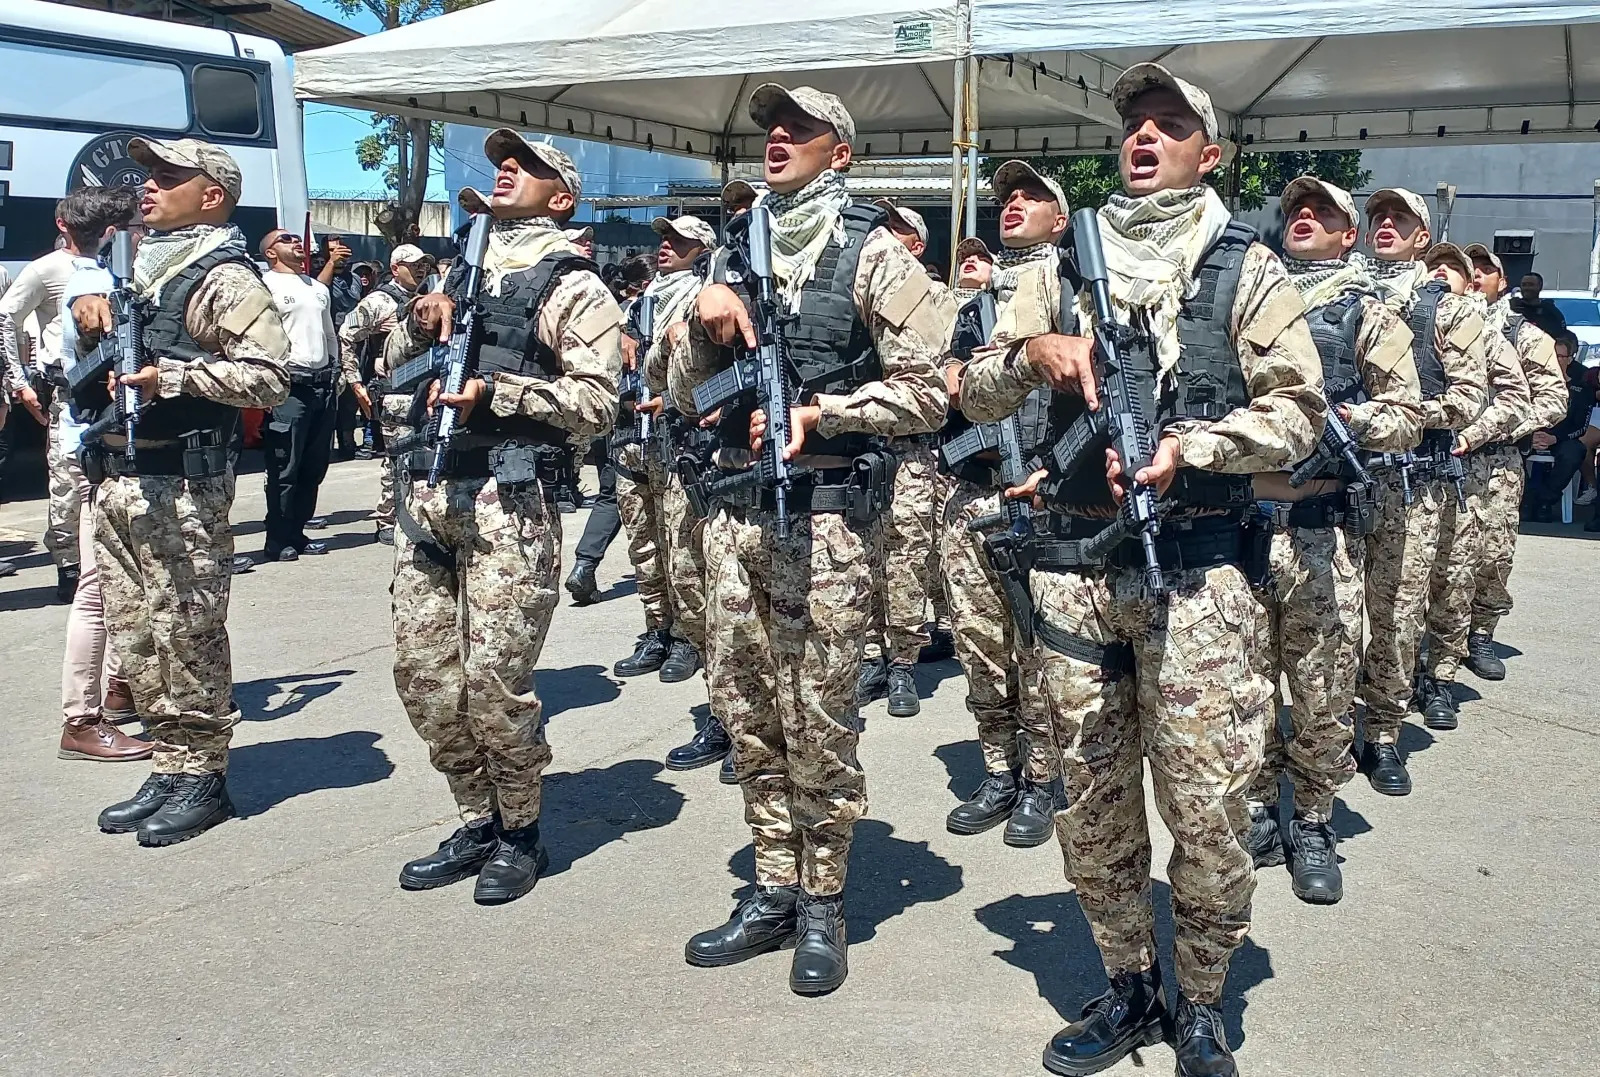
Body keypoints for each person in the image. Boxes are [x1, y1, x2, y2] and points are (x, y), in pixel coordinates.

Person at [960, 64, 1323, 1076]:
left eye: (1169, 124)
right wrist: (1032, 354)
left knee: (1208, 807)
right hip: (1076, 566)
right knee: (1090, 802)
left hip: (1199, 571)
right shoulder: (1058, 269)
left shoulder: (1245, 265)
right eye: (1133, 124)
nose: (1144, 137)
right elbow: (972, 390)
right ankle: (1128, 985)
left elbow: (1299, 412)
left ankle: (1200, 999)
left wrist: (1190, 447)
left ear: (1210, 155)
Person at [672, 84, 945, 995]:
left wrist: (825, 410)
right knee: (746, 711)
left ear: (842, 153)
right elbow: (680, 392)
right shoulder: (732, 250)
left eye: (801, 128)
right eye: (771, 128)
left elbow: (931, 391)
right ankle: (774, 884)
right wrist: (699, 316)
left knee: (819, 716)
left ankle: (824, 897)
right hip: (734, 514)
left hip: (826, 517)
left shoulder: (875, 252)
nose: (779, 138)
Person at [384, 130, 620, 905]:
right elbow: (388, 367)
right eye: (501, 161)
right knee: (424, 677)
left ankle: (520, 829)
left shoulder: (574, 285)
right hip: (431, 496)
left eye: (529, 163)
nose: (507, 167)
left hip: (510, 501)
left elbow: (598, 402)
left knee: (493, 681)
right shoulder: (461, 268)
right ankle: (475, 816)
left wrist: (499, 393)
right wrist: (418, 321)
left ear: (563, 196)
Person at [71, 137, 290, 844]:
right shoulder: (139, 271)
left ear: (212, 195)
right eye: (151, 175)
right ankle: (169, 761)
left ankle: (202, 773)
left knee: (187, 630)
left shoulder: (226, 279)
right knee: (137, 632)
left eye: (169, 177)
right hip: (122, 477)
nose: (149, 186)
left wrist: (172, 377)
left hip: (184, 485)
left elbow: (269, 378)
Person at [1244, 175, 1421, 904]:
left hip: (1320, 535)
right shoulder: (1246, 303)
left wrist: (1346, 423)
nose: (1304, 218)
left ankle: (1314, 819)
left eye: (1322, 212)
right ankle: (1259, 809)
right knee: (1246, 689)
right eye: (1296, 210)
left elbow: (1407, 414)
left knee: (1321, 692)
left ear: (1349, 236)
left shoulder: (1369, 314)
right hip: (1243, 532)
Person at [938, 161, 1066, 848]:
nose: (1014, 203)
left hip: (1043, 496)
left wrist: (1055, 470)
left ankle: (1044, 776)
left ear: (1060, 219)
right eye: (1007, 197)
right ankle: (998, 767)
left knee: (1040, 647)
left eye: (1031, 195)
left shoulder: (1073, 292)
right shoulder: (969, 307)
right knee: (979, 644)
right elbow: (938, 387)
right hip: (972, 495)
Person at [1356, 188, 1487, 795]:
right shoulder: (1338, 295)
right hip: (1335, 486)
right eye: (1378, 217)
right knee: (1327, 620)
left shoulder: (1448, 309)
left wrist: (1395, 413)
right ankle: (1324, 730)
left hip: (1409, 488)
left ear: (1421, 236)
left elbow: (1468, 397)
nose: (1386, 225)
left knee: (1395, 618)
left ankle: (1382, 734)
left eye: (1400, 219)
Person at [49, 185, 152, 762]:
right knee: (96, 588)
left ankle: (117, 686)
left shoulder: (105, 276)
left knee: (119, 579)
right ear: (116, 235)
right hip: (96, 447)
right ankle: (81, 719)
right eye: (138, 227)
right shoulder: (92, 282)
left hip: (103, 445)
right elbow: (88, 312)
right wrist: (97, 319)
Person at [1412, 243, 1530, 733]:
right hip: (1396, 475)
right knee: (1397, 592)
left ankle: (1440, 678)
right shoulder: (1397, 316)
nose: (1443, 272)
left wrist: (1471, 434)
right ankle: (1392, 682)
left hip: (1464, 472)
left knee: (1455, 578)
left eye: (1455, 267)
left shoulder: (1486, 331)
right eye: (1433, 265)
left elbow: (1519, 398)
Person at [856, 198, 954, 715]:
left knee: (906, 559)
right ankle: (871, 655)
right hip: (858, 446)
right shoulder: (855, 286)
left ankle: (902, 664)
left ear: (915, 246)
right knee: (860, 558)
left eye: (895, 229)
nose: (882, 235)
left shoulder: (933, 296)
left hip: (908, 452)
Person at [608, 214, 716, 683]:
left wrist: (669, 401)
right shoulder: (645, 300)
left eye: (679, 240)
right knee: (644, 545)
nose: (666, 245)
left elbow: (712, 376)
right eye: (665, 238)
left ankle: (691, 637)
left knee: (683, 547)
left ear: (702, 249)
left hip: (679, 440)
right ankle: (658, 628)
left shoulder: (704, 298)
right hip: (633, 441)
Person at [1462, 243, 1565, 678]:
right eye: (1469, 268)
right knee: (1437, 556)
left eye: (1486, 269)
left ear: (1502, 282)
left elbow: (1553, 398)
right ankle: (1437, 639)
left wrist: (1501, 425)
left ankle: (1481, 633)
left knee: (1493, 553)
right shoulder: (1435, 324)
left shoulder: (1523, 334)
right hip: (1441, 460)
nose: (1476, 275)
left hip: (1497, 461)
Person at [1, 218, 102, 601]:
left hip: (113, 387)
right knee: (67, 479)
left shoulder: (119, 265)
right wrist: (18, 381)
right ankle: (69, 565)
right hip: (68, 390)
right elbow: (6, 317)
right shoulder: (46, 269)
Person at [567, 253, 654, 601]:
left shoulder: (610, 311)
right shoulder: (648, 311)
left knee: (609, 494)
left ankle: (584, 565)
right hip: (640, 418)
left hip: (610, 416)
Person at [338, 242, 435, 544]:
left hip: (427, 390)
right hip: (396, 393)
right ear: (395, 268)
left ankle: (418, 516)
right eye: (413, 265)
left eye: (424, 264)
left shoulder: (431, 296)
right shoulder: (379, 301)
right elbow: (346, 336)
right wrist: (355, 382)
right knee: (397, 458)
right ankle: (388, 518)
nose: (420, 270)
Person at [257, 229, 338, 562]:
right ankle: (277, 539)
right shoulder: (264, 286)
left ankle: (298, 532)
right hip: (289, 387)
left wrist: (336, 370)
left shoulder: (317, 288)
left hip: (323, 384)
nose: (295, 242)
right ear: (270, 253)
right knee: (284, 467)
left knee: (313, 467)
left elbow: (329, 334)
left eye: (295, 238)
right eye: (286, 239)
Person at [1510, 271, 1568, 341]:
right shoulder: (1511, 308)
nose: (1527, 288)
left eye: (1531, 285)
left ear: (1540, 286)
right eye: (1524, 285)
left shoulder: (1550, 312)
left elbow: (1562, 337)